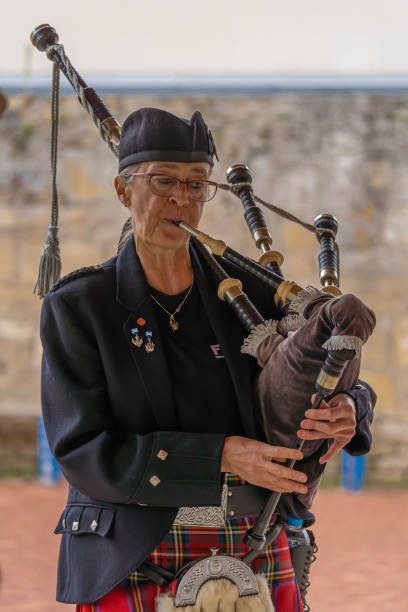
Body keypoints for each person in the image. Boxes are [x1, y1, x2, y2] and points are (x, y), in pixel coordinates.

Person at [40, 107, 376, 612]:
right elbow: (83, 450)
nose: (181, 198)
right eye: (163, 182)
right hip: (138, 555)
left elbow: (325, 371)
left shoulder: (255, 294)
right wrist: (220, 455)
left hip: (254, 547)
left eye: (198, 186)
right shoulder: (80, 307)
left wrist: (351, 408)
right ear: (122, 190)